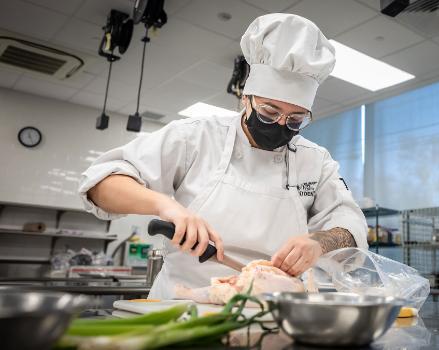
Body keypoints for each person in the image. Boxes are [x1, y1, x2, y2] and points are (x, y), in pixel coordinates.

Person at [78, 13, 368, 299]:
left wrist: (319, 242)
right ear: (246, 98)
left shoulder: (314, 160)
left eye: (296, 119)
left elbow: (349, 222)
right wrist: (166, 206)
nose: (281, 124)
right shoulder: (195, 136)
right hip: (182, 302)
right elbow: (102, 184)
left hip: (271, 308)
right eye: (269, 112)